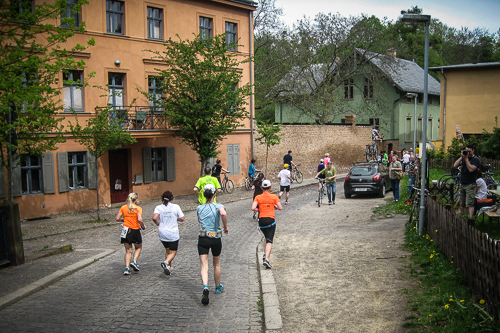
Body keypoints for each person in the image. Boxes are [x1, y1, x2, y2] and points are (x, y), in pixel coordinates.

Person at [197, 184, 228, 305]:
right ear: (214, 194)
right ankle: (217, 287)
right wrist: (225, 226)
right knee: (216, 263)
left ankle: (205, 286)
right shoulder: (218, 206)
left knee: (204, 266)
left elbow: (199, 220)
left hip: (203, 238)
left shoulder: (199, 208)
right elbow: (223, 213)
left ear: (204, 195)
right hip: (215, 238)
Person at [252, 180, 282, 269]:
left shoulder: (258, 197)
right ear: (270, 188)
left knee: (266, 237)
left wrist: (259, 210)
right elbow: (280, 207)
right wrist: (273, 207)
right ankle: (267, 259)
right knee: (269, 241)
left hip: (261, 221)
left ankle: (265, 254)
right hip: (270, 221)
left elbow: (253, 207)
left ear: (262, 188)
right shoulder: (274, 196)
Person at [153, 191, 185, 276]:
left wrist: (157, 223)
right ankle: (166, 262)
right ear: (172, 198)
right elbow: (182, 218)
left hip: (162, 232)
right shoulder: (175, 207)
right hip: (172, 233)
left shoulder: (158, 207)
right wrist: (177, 219)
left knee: (167, 250)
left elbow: (154, 217)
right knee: (173, 252)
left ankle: (169, 268)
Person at [116, 193, 146, 275]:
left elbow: (117, 218)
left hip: (125, 230)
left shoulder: (123, 207)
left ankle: (127, 268)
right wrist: (143, 226)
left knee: (128, 251)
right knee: (138, 247)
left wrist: (124, 220)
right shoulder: (138, 208)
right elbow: (140, 219)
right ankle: (134, 261)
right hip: (134, 230)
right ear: (136, 200)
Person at [453, 144, 481, 217]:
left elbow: (471, 169)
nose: (468, 153)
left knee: (469, 204)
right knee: (462, 204)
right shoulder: (464, 158)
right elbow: (455, 165)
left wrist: (466, 159)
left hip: (470, 184)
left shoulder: (476, 160)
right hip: (463, 183)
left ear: (473, 150)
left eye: (469, 151)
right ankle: (464, 217)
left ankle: (470, 219)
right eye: (466, 151)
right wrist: (462, 156)